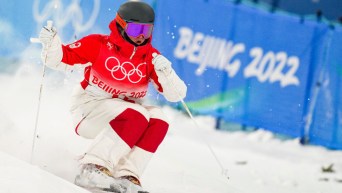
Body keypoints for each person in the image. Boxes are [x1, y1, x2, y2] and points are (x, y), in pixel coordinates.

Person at [38, 1, 187, 193]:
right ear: (121, 24)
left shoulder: (151, 58)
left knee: (159, 119)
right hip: (89, 112)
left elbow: (176, 96)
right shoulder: (98, 44)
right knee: (137, 113)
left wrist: (167, 73)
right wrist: (52, 44)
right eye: (135, 29)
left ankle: (127, 173)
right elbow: (59, 60)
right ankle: (91, 166)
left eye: (146, 30)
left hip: (127, 120)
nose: (141, 36)